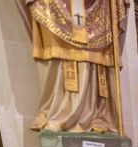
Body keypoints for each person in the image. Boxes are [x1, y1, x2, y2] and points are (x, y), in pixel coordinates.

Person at [25, 0, 128, 133]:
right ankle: (61, 114)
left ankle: (98, 116)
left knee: (96, 57)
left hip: (99, 6)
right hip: (63, 6)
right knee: (60, 52)